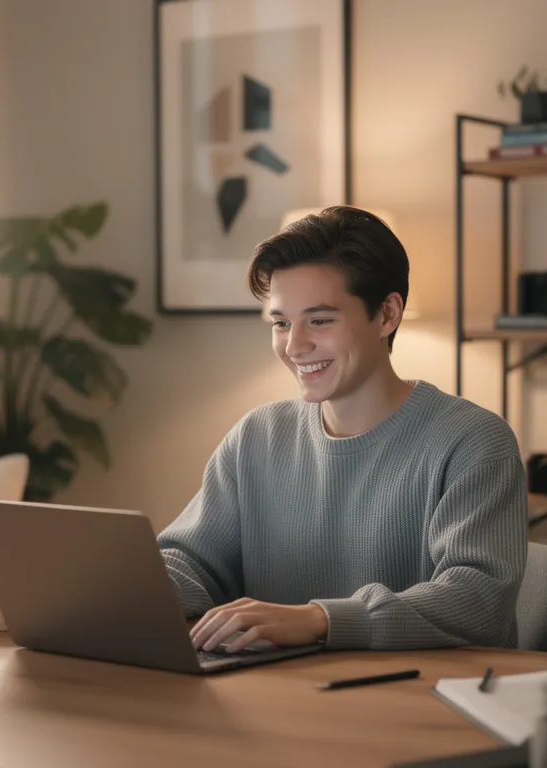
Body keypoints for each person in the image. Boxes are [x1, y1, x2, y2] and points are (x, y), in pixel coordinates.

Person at [157, 205, 528, 654]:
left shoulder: (473, 442)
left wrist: (320, 620)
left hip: (420, 704)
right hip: (277, 697)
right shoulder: (256, 437)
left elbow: (477, 600)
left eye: (320, 320)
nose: (295, 345)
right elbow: (192, 562)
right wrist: (124, 583)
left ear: (388, 314)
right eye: (281, 323)